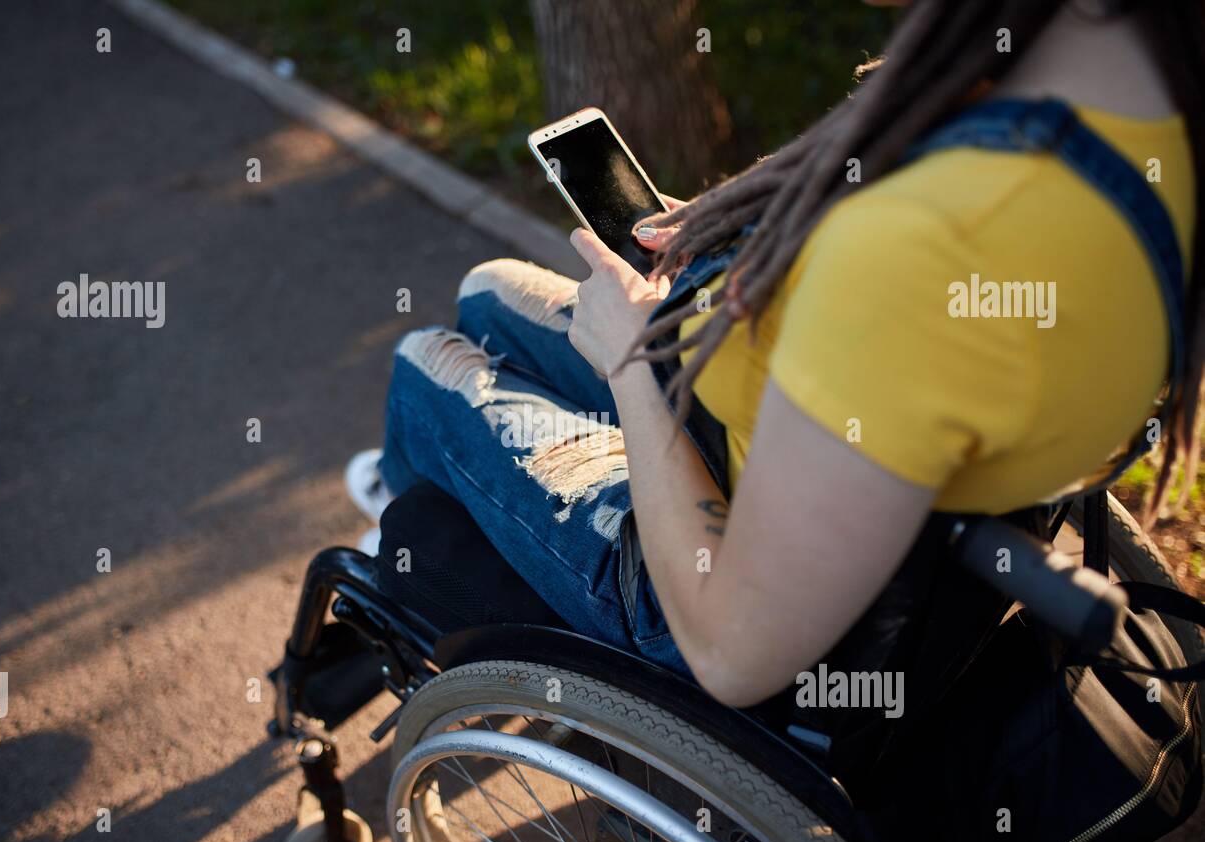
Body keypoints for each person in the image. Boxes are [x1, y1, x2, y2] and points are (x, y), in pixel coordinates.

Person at [346, 0, 1202, 708]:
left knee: (429, 363)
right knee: (489, 289)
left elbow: (731, 651)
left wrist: (633, 363)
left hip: (704, 570)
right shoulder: (1151, 132)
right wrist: (748, 253)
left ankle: (403, 534)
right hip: (806, 444)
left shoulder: (926, 250)